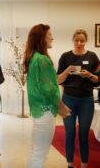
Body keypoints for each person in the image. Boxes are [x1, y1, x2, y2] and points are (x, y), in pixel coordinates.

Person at [24, 24, 71, 167]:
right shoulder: (42, 59)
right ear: (41, 38)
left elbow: (51, 82)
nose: (52, 37)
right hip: (45, 111)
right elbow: (49, 89)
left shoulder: (34, 58)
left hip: (40, 111)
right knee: (39, 154)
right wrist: (61, 107)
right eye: (49, 34)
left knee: (36, 152)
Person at [57, 29, 100, 168]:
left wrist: (88, 74)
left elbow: (98, 80)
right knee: (69, 134)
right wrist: (67, 70)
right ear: (73, 40)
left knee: (84, 135)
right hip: (68, 100)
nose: (79, 43)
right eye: (76, 40)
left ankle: (84, 165)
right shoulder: (65, 57)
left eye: (82, 40)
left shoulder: (93, 57)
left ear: (85, 41)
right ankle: (70, 164)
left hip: (86, 101)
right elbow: (58, 80)